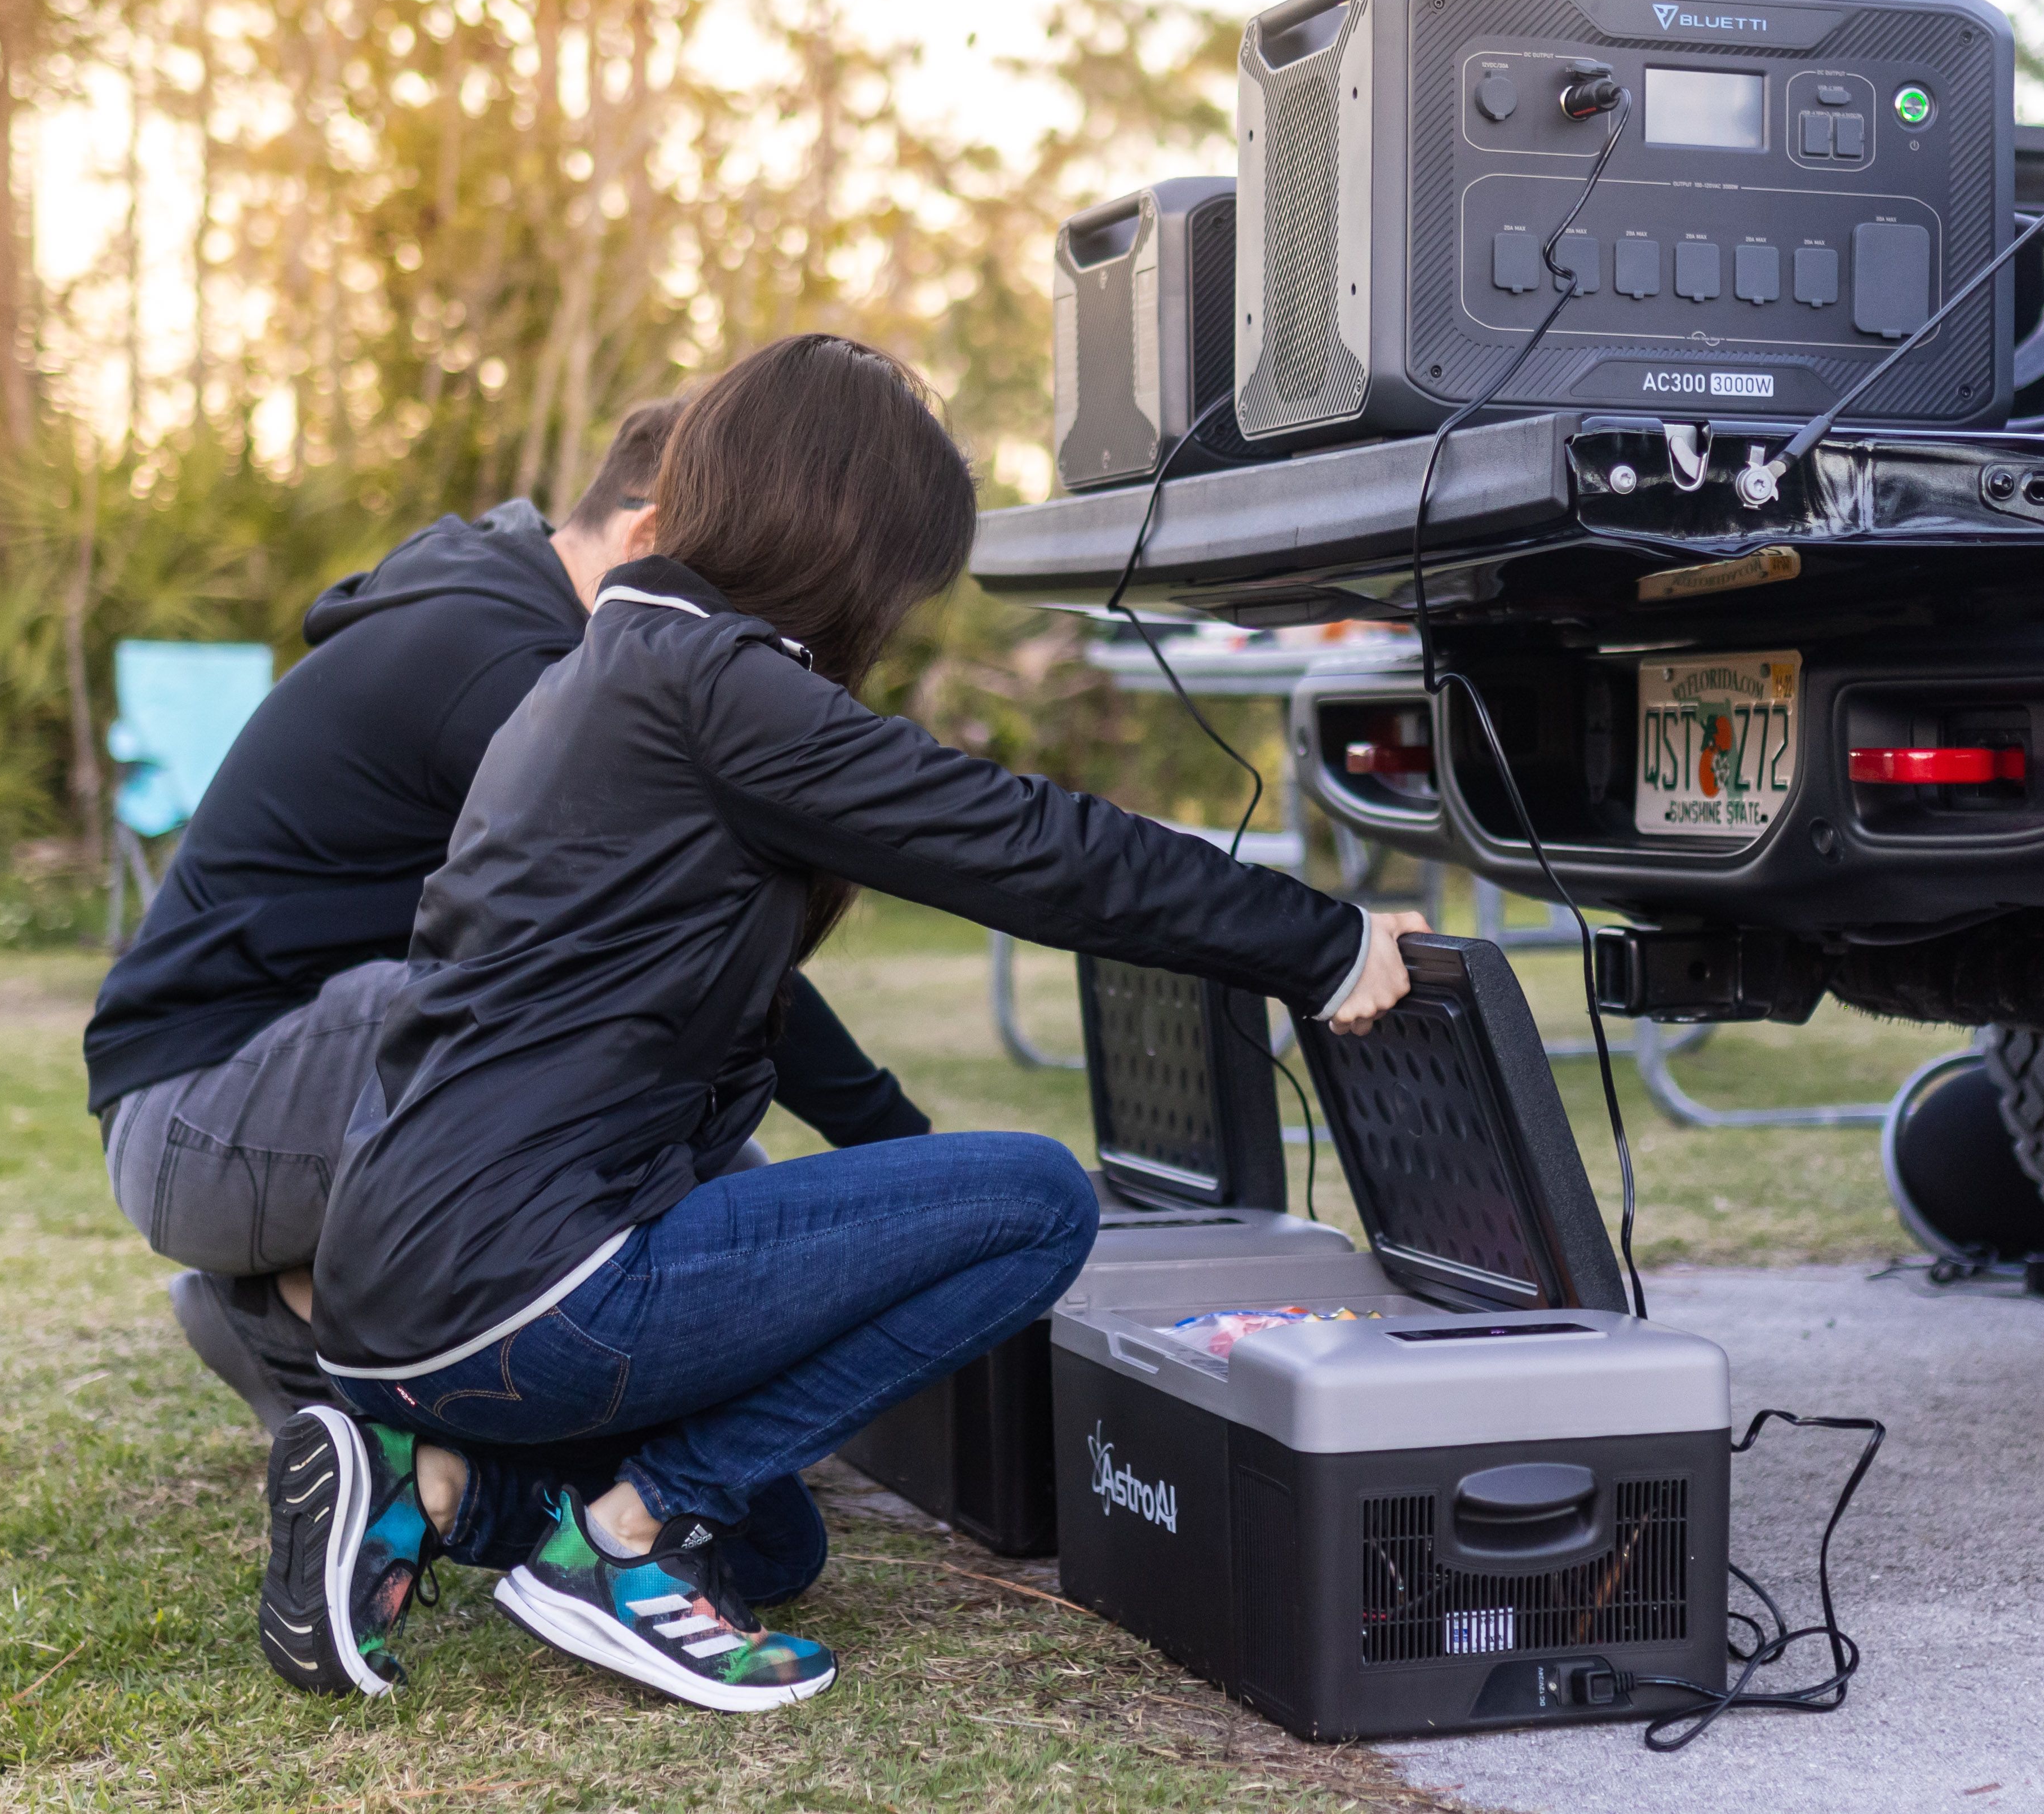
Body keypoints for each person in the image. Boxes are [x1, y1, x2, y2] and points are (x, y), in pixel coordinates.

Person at [265, 335, 1427, 1711]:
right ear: (845, 538)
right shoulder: (715, 685)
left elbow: (757, 998)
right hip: (530, 1282)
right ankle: (622, 1544)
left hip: (398, 1291)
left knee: (777, 1538)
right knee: (1036, 1201)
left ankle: (434, 1484)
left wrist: (888, 1158)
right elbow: (1030, 845)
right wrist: (1323, 939)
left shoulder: (597, 672)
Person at [86, 404, 933, 1435]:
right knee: (628, 1080)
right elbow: (682, 962)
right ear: (649, 539)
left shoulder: (516, 625)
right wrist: (892, 1140)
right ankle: (297, 1320)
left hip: (255, 1102)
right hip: (204, 1119)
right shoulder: (510, 668)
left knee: (713, 1190)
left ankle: (287, 1302)